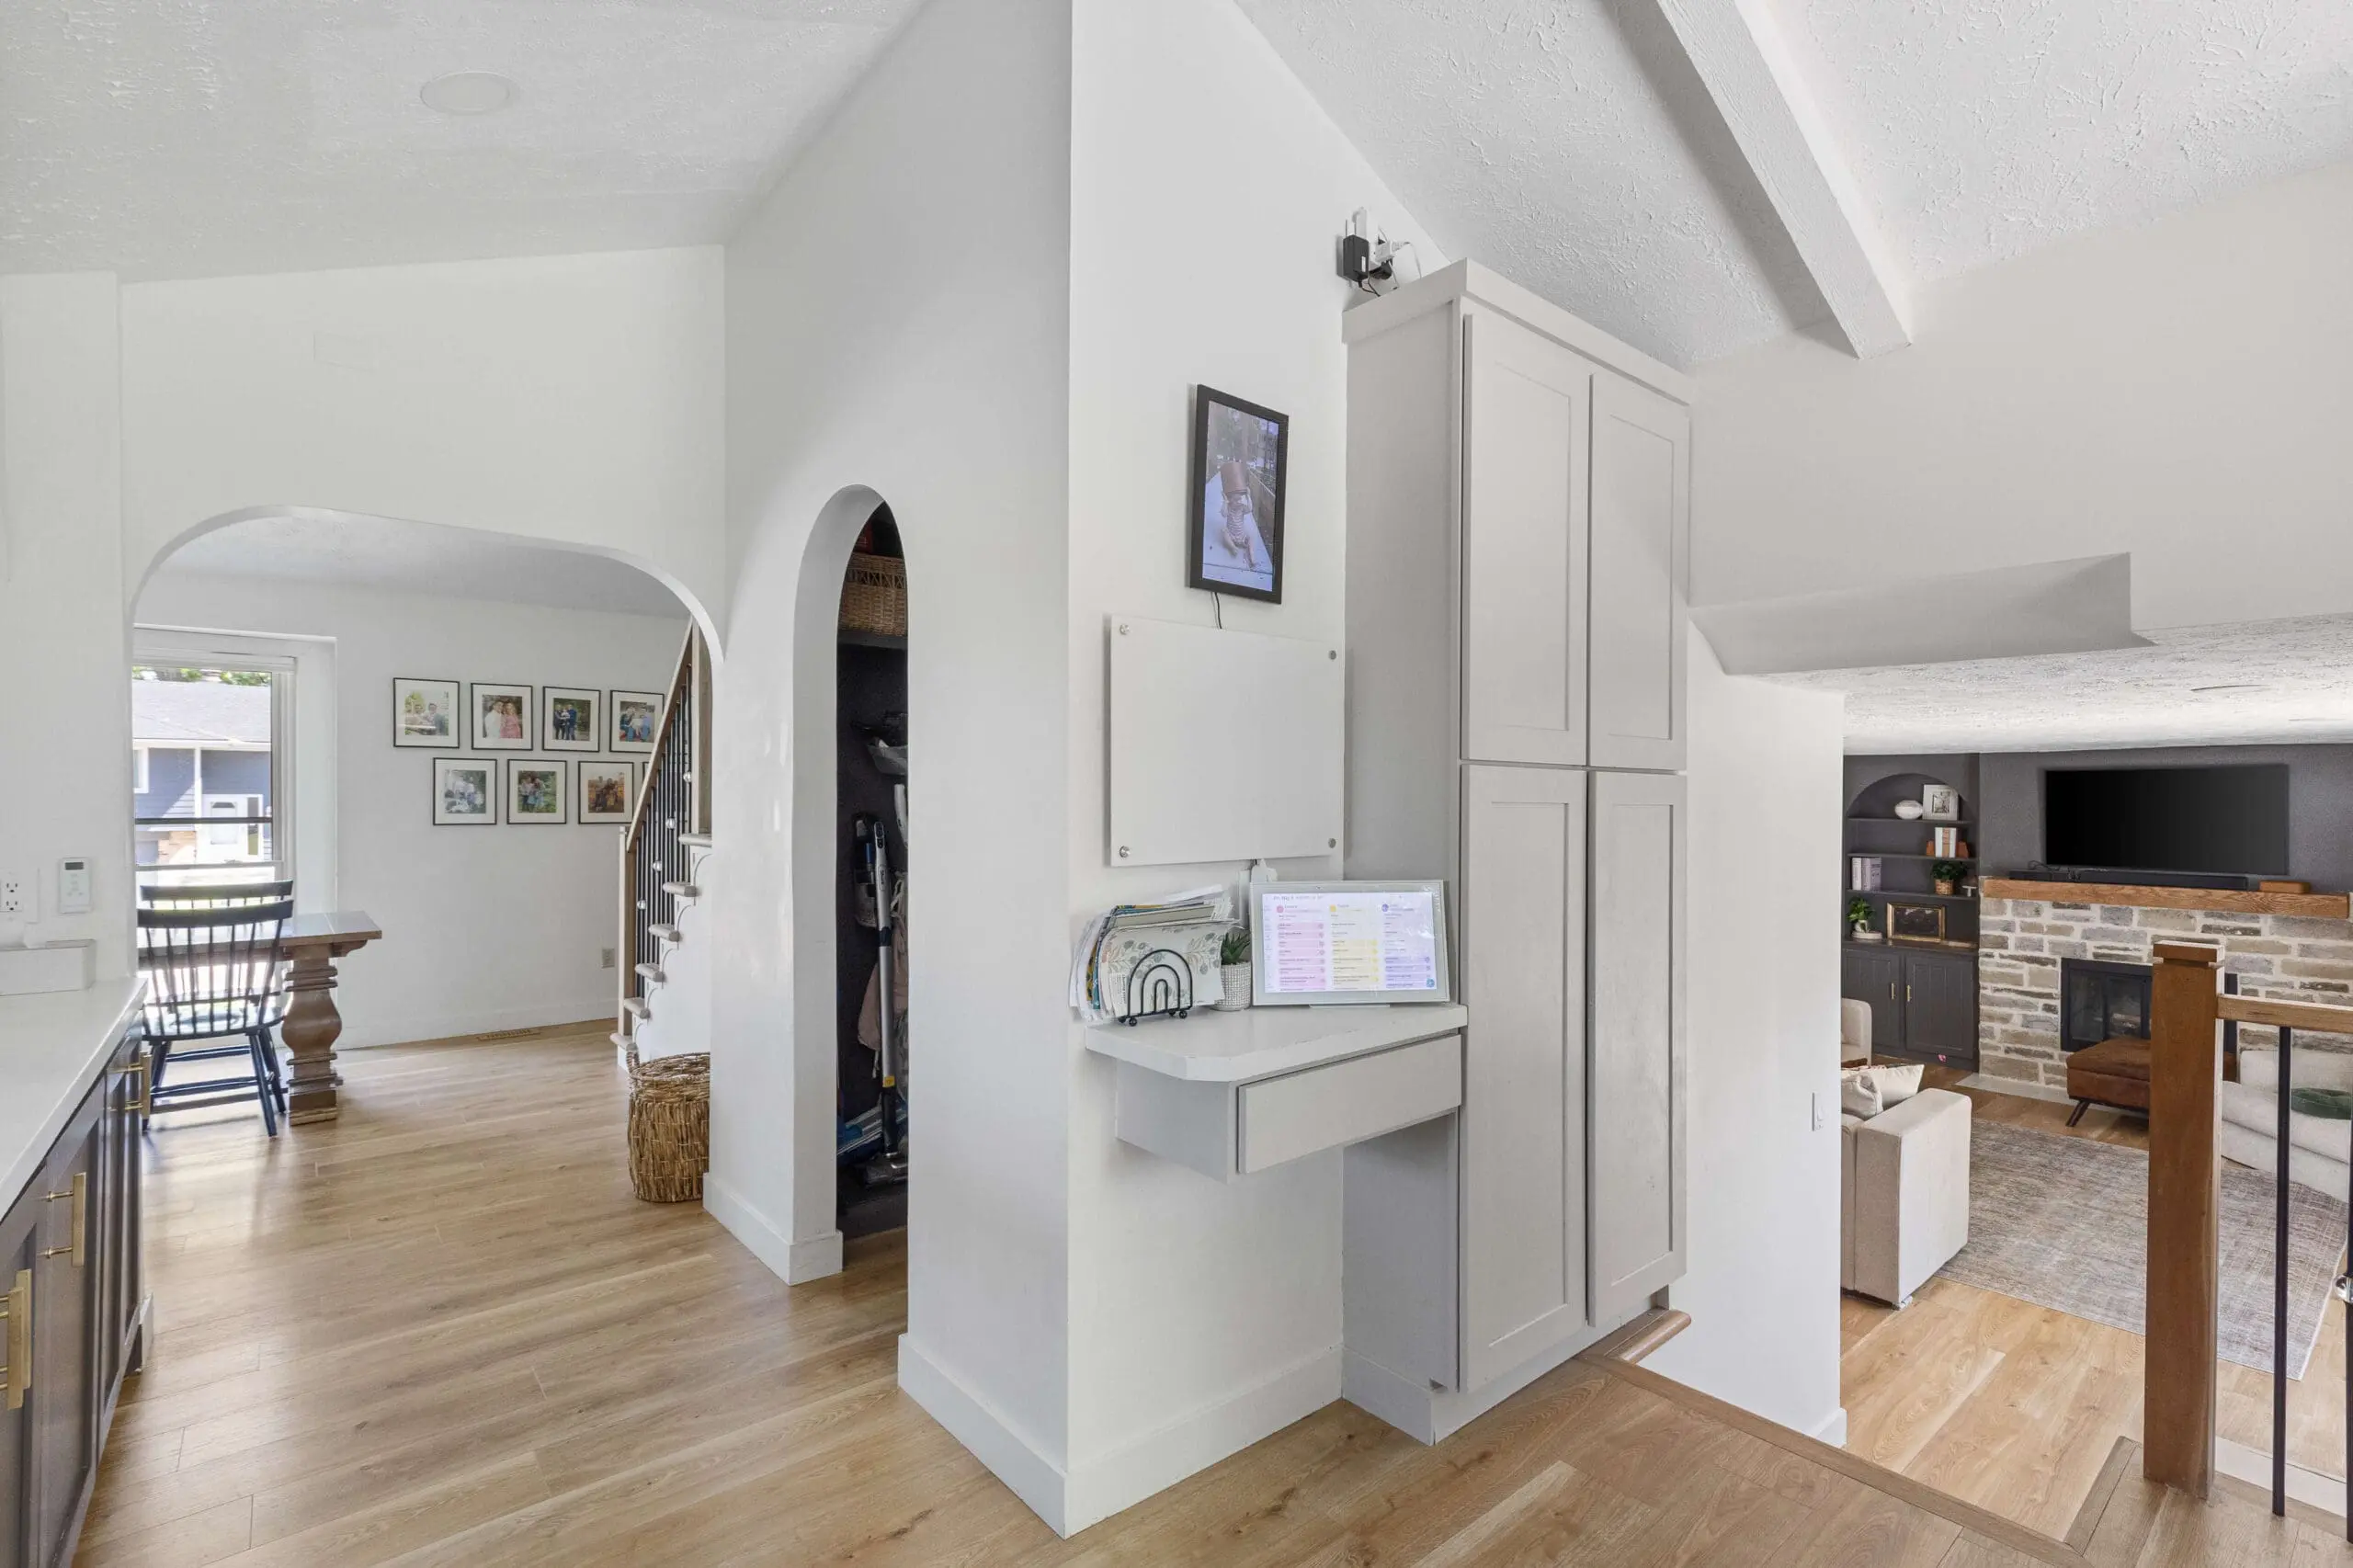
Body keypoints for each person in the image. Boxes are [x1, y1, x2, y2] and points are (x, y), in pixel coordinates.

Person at [1199, 460, 1275, 594]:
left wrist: (1249, 497)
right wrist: (1225, 501)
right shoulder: (1228, 507)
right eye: (1236, 499)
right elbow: (1223, 514)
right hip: (1232, 536)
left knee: (1251, 538)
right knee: (1224, 531)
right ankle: (1232, 548)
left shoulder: (1242, 508)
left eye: (1240, 499)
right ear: (1231, 500)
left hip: (1241, 536)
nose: (1238, 501)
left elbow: (1250, 509)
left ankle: (1251, 556)